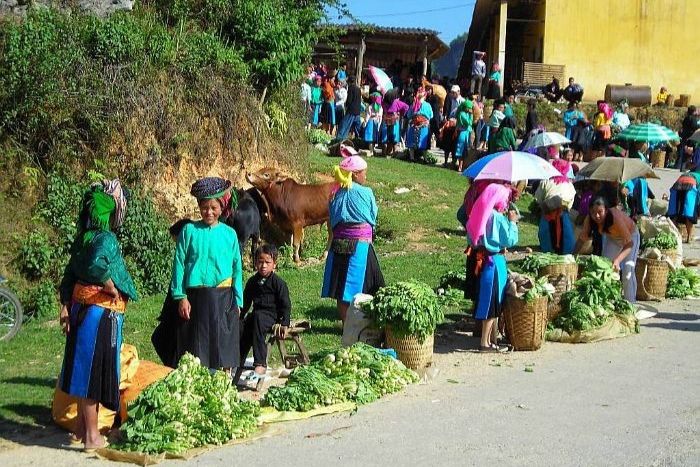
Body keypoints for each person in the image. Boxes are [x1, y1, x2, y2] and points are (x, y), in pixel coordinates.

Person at [58, 179, 137, 451]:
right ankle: (93, 437)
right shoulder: (105, 239)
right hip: (99, 313)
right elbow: (95, 265)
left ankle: (81, 428)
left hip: (81, 309)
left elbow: (70, 274)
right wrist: (110, 284)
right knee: (92, 374)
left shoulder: (84, 237)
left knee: (82, 371)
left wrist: (65, 304)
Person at [171, 177, 244, 370]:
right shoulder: (189, 231)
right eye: (204, 207)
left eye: (214, 207)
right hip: (196, 299)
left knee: (221, 350)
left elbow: (237, 268)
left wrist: (238, 300)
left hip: (223, 298)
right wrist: (181, 297)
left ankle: (222, 384)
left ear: (221, 208)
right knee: (196, 351)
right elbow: (179, 264)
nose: (209, 212)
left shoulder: (230, 234)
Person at [322, 155, 384, 323]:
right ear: (355, 174)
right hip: (360, 246)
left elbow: (333, 219)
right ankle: (361, 324)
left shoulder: (335, 193)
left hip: (339, 244)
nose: (366, 176)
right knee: (367, 285)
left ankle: (345, 324)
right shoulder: (366, 192)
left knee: (341, 287)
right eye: (364, 173)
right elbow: (373, 216)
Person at [464, 184, 519, 352]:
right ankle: (484, 343)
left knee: (487, 300)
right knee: (492, 303)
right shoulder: (496, 217)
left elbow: (471, 238)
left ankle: (488, 340)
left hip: (482, 260)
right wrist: (512, 223)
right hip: (494, 263)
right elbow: (510, 240)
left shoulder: (479, 214)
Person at [238, 244, 291, 386]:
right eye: (260, 262)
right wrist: (240, 315)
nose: (263, 266)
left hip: (271, 315)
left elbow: (286, 305)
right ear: (255, 263)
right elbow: (245, 302)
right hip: (256, 314)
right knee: (241, 326)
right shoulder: (252, 282)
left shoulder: (278, 283)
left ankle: (260, 363)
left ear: (274, 263)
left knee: (257, 320)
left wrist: (285, 323)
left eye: (267, 262)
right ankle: (236, 359)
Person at [574, 198, 640, 301]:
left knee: (627, 271)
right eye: (593, 212)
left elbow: (629, 244)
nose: (596, 216)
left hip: (631, 237)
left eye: (600, 212)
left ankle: (631, 304)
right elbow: (582, 239)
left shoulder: (615, 218)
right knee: (604, 270)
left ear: (606, 210)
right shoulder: (590, 220)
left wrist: (617, 260)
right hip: (612, 238)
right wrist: (572, 256)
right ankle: (609, 302)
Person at [152, 218, 194, 367]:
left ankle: (174, 369)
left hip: (182, 310)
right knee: (160, 338)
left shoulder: (191, 257)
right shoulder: (181, 257)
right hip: (173, 310)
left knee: (166, 340)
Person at [535, 159, 576, 254]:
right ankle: (565, 251)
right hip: (563, 213)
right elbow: (570, 202)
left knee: (546, 234)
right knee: (565, 234)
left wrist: (544, 206)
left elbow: (538, 198)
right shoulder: (569, 184)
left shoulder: (546, 181)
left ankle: (547, 249)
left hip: (547, 212)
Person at [668, 168, 700, 243]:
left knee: (674, 212)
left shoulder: (691, 173)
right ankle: (689, 237)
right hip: (691, 184)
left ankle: (674, 236)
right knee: (689, 213)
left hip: (677, 184)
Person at [405, 87, 434, 161]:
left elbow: (408, 115)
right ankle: (425, 158)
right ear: (425, 95)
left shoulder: (414, 104)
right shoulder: (427, 105)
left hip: (414, 125)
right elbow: (431, 116)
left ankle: (412, 157)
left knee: (412, 142)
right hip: (424, 125)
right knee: (423, 142)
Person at [453, 99, 474, 172]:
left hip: (467, 133)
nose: (470, 109)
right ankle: (459, 166)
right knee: (460, 149)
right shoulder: (462, 114)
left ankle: (462, 166)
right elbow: (468, 123)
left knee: (465, 150)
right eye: (469, 108)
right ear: (466, 107)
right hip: (462, 133)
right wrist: (471, 115)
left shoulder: (467, 113)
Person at [677, 106, 700, 170]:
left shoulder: (686, 118)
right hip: (690, 138)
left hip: (684, 137)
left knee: (683, 152)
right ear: (694, 111)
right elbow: (695, 127)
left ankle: (680, 166)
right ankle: (685, 167)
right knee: (689, 153)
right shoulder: (693, 119)